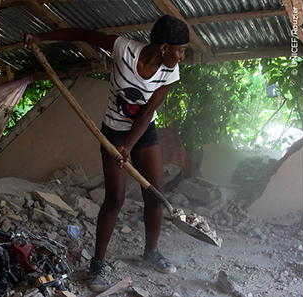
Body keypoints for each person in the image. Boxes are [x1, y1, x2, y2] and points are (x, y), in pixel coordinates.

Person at [24, 16, 187, 292]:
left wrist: (129, 147)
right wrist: (41, 37)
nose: (182, 55)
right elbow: (83, 31)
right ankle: (97, 264)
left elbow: (147, 113)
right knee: (115, 198)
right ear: (163, 46)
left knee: (156, 195)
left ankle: (151, 251)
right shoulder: (124, 49)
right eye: (180, 49)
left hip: (143, 132)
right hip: (112, 131)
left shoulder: (170, 72)